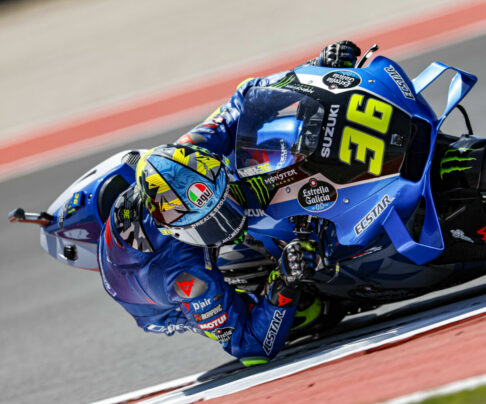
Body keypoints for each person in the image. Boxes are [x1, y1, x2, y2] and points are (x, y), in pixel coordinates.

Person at [97, 41, 361, 367]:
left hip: (155, 216)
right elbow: (250, 346)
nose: (225, 224)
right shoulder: (185, 276)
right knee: (303, 302)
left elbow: (245, 99)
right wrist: (284, 281)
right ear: (176, 230)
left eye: (222, 208)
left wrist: (315, 67)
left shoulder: (191, 151)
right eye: (209, 225)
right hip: (152, 294)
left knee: (258, 148)